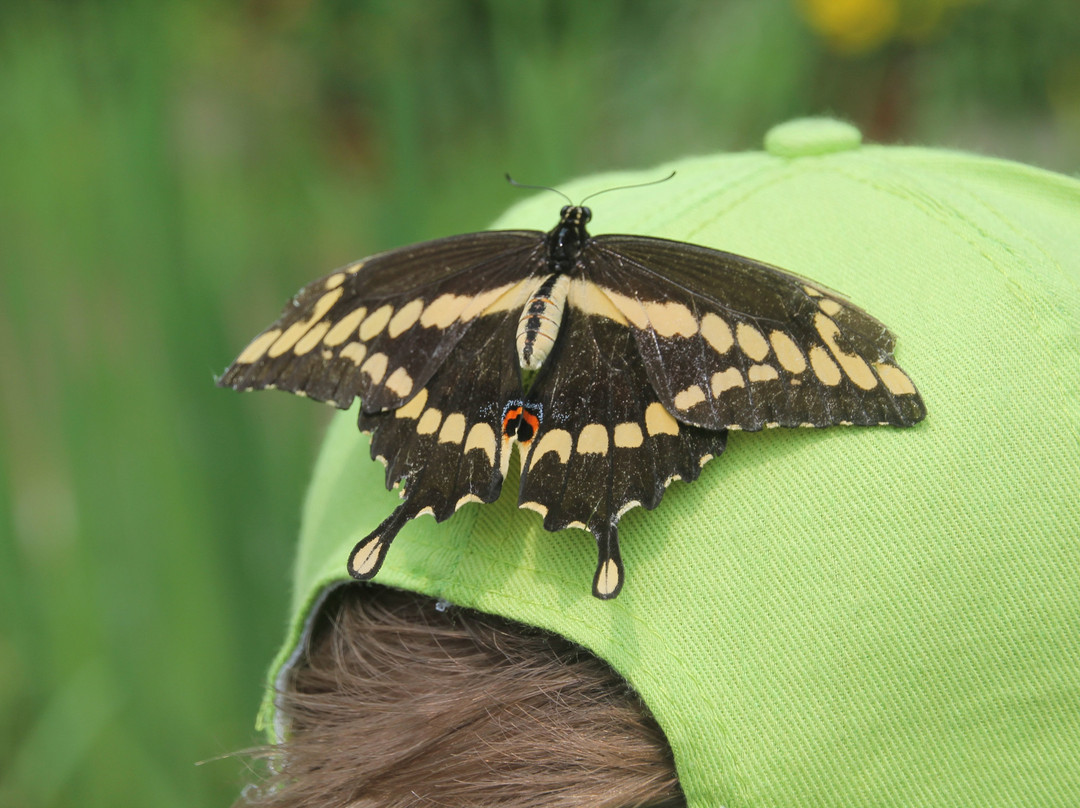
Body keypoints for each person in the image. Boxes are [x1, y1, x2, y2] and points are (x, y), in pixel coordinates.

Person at [236, 119, 1080, 807]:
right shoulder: (700, 291)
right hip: (603, 424)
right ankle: (597, 536)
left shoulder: (459, 271)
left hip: (483, 411)